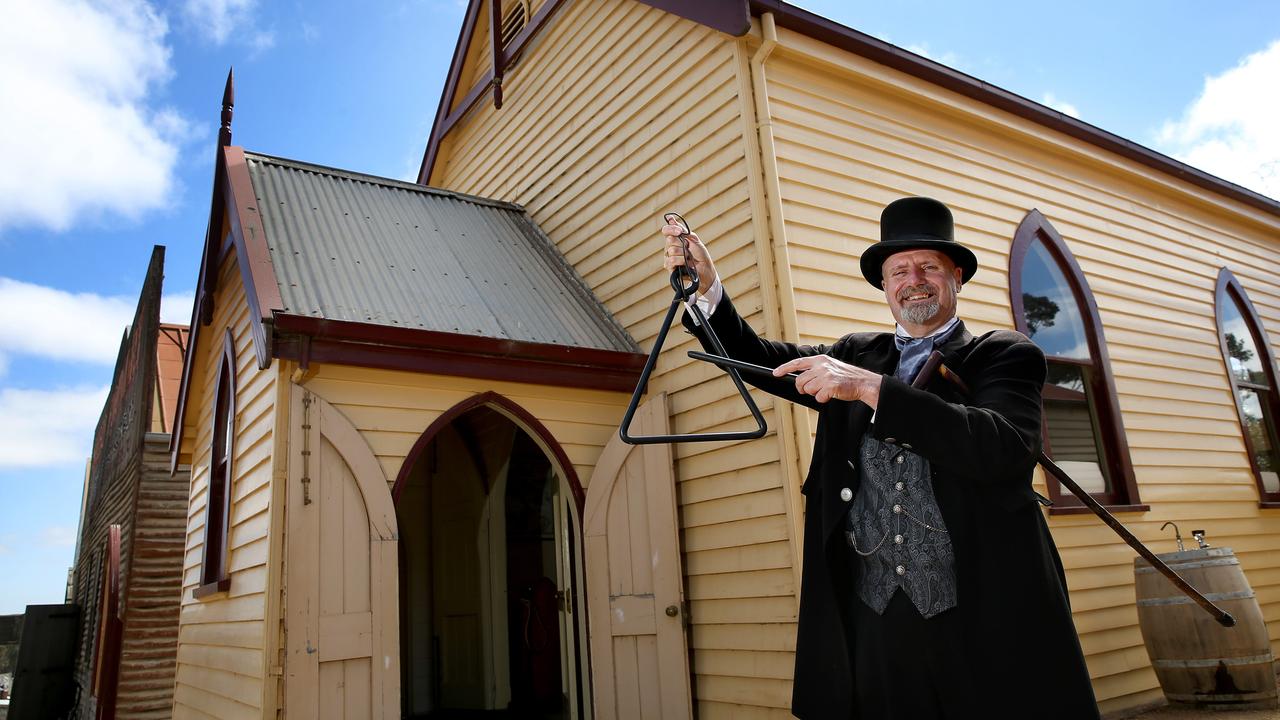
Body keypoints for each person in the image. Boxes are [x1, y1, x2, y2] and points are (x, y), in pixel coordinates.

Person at [661, 197, 1099, 719]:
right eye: (898, 271)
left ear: (955, 276)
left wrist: (872, 390)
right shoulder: (855, 353)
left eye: (928, 267)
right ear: (885, 285)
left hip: (981, 612)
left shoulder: (1003, 354)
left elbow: (1002, 449)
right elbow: (760, 361)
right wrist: (706, 290)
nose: (913, 279)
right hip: (873, 614)